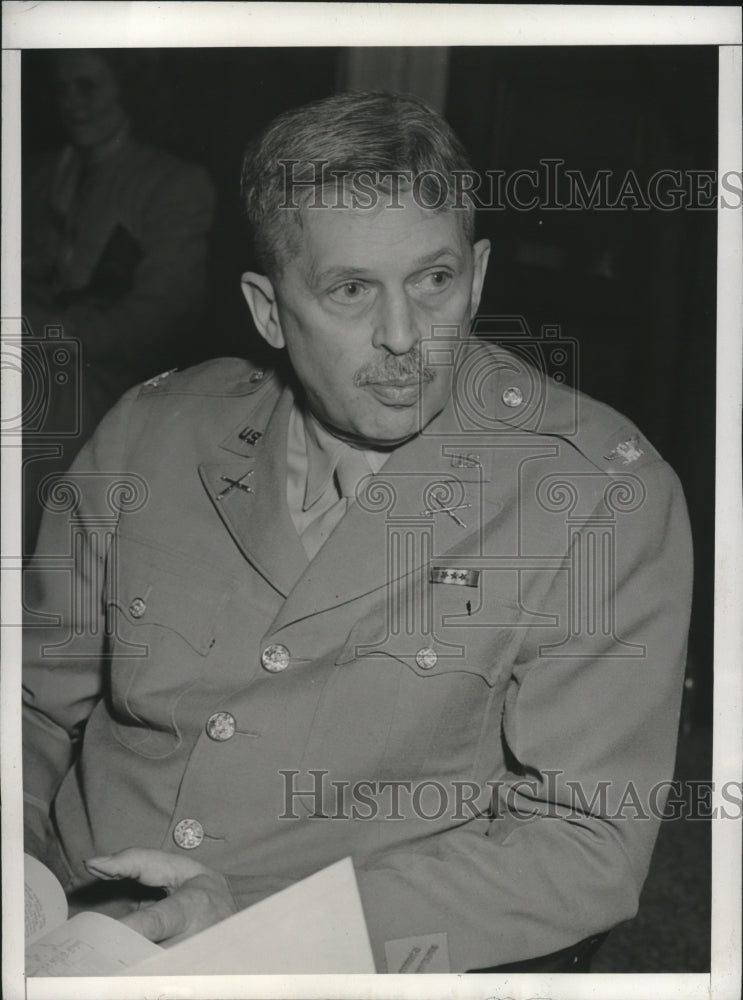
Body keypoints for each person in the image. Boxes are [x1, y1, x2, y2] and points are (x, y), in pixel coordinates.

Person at [22, 91, 693, 974]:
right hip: (67, 918)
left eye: (434, 280)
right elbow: (30, 699)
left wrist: (265, 930)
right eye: (349, 291)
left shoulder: (599, 491)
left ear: (479, 275)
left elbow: (585, 845)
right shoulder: (152, 430)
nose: (405, 338)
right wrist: (20, 872)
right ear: (267, 311)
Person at [22, 50, 214, 555]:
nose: (72, 104)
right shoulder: (29, 176)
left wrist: (45, 334)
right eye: (61, 90)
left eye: (87, 88)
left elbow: (160, 317)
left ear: (127, 88)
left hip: (111, 383)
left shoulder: (173, 184)